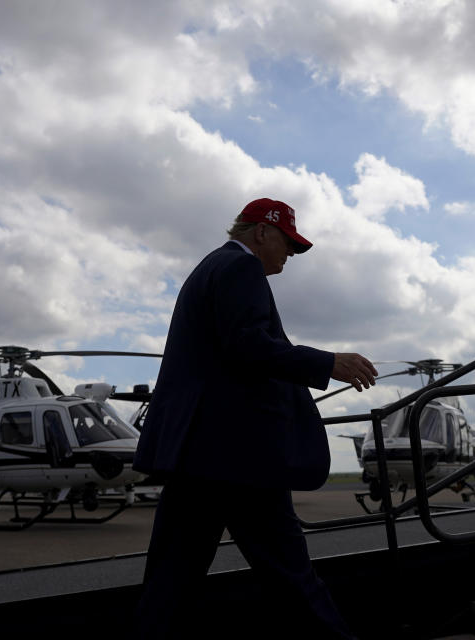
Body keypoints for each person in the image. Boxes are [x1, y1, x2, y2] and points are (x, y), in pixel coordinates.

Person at [132, 197, 377, 638]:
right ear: (262, 232)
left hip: (197, 457)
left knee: (168, 583)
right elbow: (248, 346)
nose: (289, 256)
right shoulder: (240, 268)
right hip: (236, 457)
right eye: (287, 244)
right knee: (292, 576)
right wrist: (327, 363)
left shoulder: (210, 268)